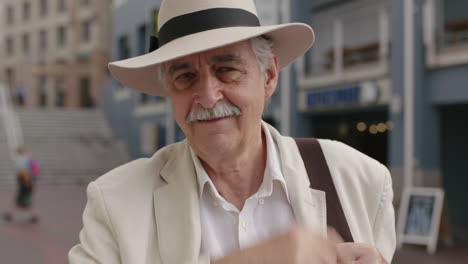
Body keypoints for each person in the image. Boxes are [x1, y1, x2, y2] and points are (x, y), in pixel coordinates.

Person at [69, 0, 396, 263]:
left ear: (268, 76)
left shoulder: (361, 181)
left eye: (226, 70)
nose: (209, 96)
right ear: (169, 89)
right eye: (185, 76)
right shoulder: (116, 201)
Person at [3, 146, 39, 223]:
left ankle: (33, 216)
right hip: (29, 181)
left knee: (24, 200)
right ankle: (10, 214)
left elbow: (21, 171)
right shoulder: (29, 158)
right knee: (22, 200)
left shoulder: (21, 159)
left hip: (25, 182)